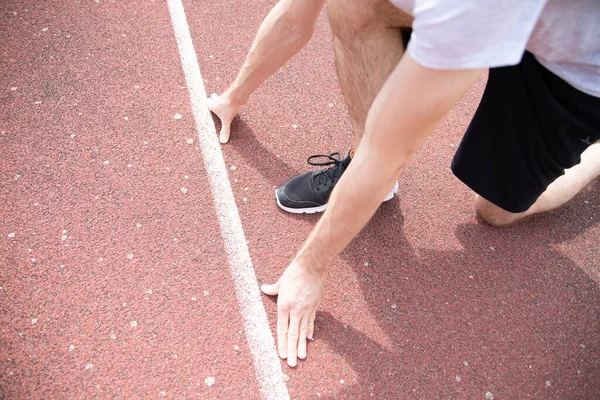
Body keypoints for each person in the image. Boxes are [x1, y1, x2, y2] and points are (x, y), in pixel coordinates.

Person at [208, 0, 600, 367]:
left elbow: (391, 147)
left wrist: (310, 267)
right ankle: (358, 174)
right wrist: (233, 96)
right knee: (356, 6)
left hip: (569, 68)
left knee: (495, 211)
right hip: (497, 18)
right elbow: (295, 16)